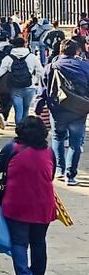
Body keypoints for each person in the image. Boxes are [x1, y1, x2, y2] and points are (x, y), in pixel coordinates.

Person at [0, 117, 57, 275]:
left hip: (16, 203)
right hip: (43, 203)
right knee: (39, 241)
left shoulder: (12, 148)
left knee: (19, 242)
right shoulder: (49, 151)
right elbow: (51, 175)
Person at [43, 40, 89, 184]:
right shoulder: (85, 66)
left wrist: (39, 108)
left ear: (60, 51)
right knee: (75, 143)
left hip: (58, 109)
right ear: (76, 52)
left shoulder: (51, 67)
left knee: (57, 138)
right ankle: (71, 175)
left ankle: (59, 170)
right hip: (79, 110)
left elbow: (43, 90)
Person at [0, 37, 42, 126]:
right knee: (26, 110)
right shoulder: (32, 57)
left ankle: (19, 129)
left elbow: (1, 73)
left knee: (18, 110)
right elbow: (40, 71)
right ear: (25, 44)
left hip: (15, 88)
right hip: (30, 87)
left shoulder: (8, 58)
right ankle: (25, 130)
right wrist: (35, 80)